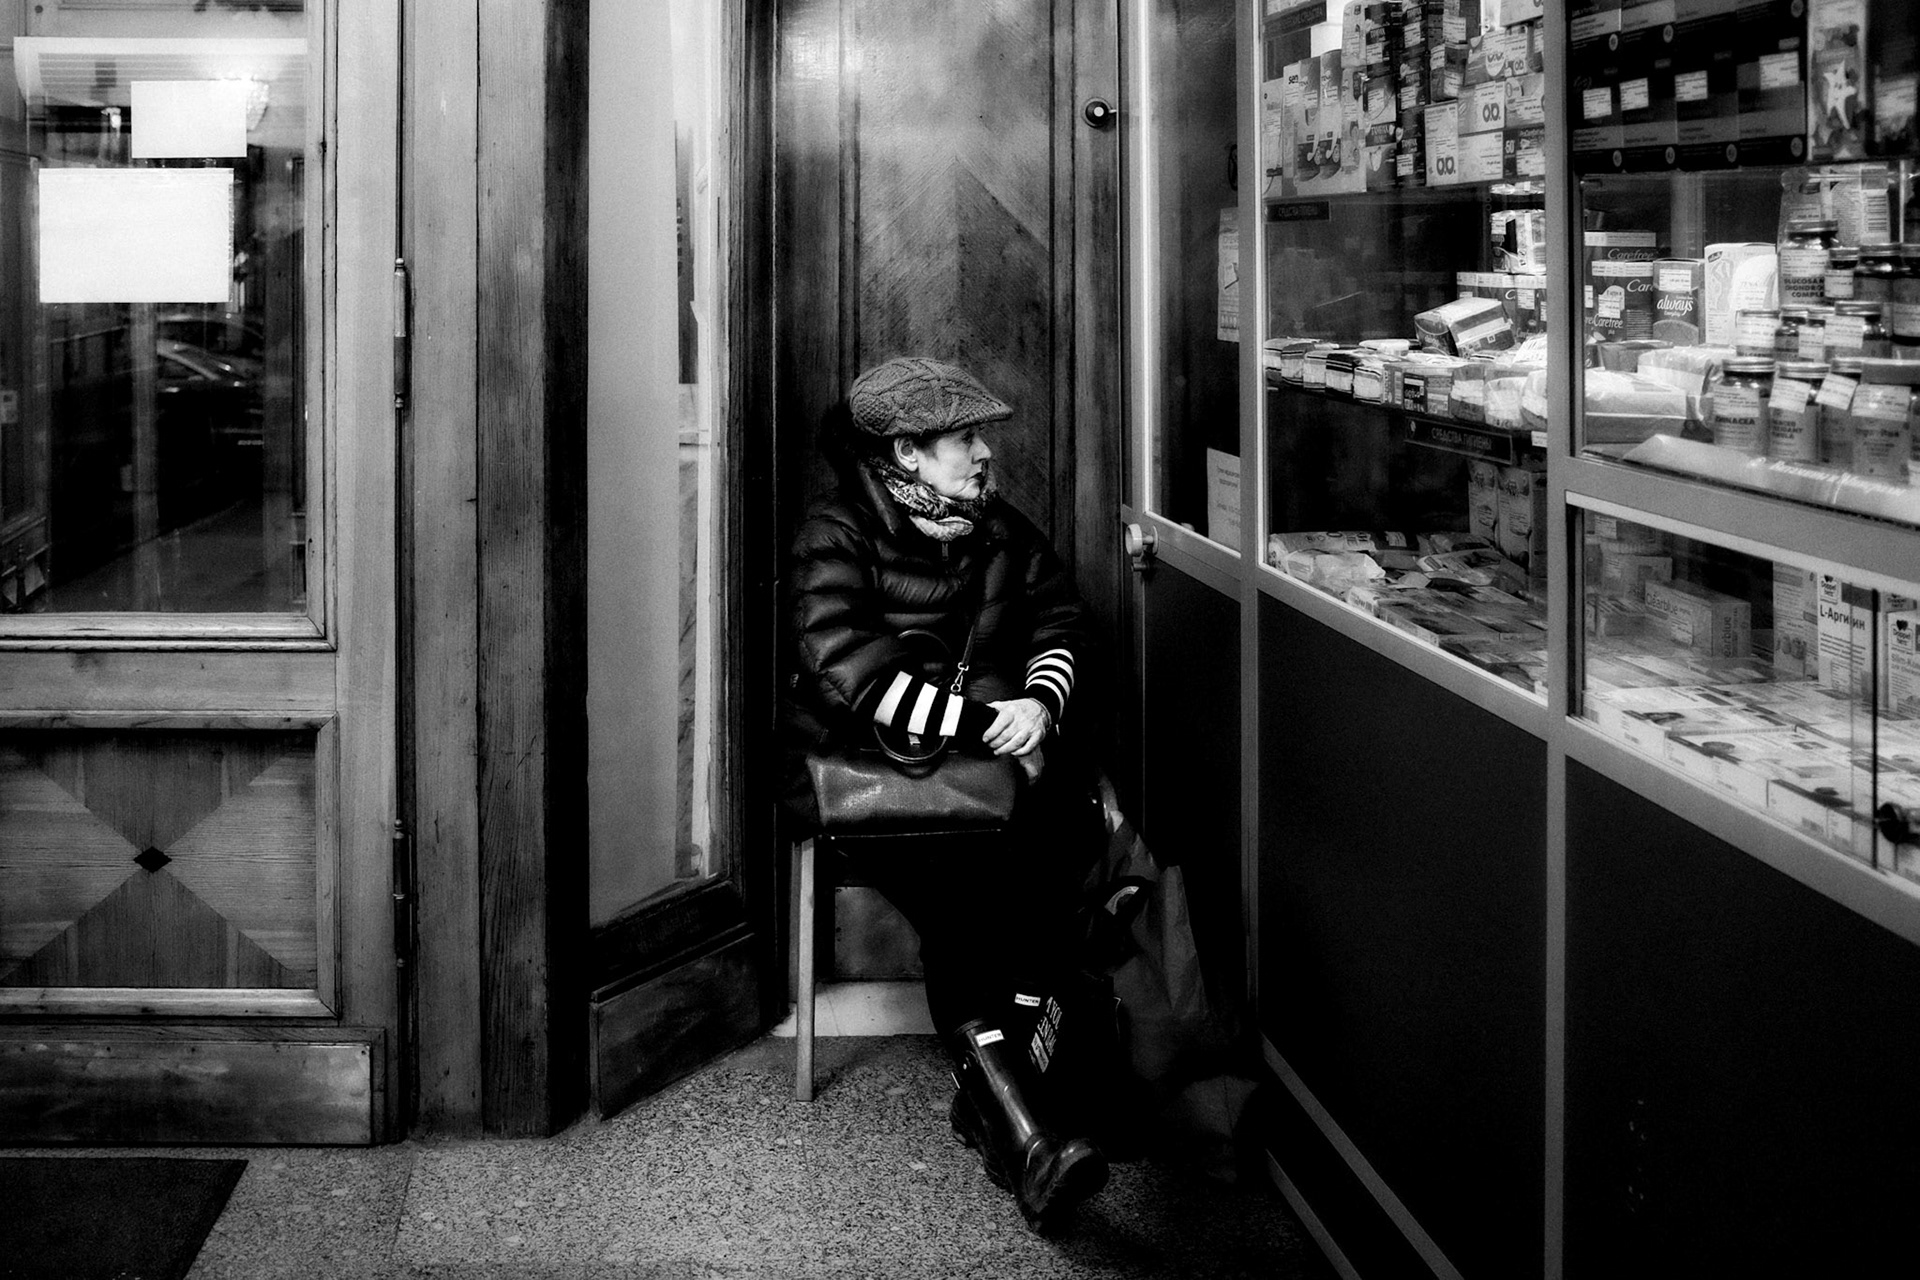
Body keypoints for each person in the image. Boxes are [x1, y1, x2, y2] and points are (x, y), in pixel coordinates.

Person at [782, 355, 1108, 1229]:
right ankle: (1027, 1129)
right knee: (969, 903)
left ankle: (1005, 1120)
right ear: (908, 453)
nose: (984, 454)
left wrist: (1039, 704)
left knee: (1055, 857)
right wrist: (986, 725)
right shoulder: (833, 536)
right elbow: (851, 677)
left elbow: (1064, 622)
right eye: (965, 438)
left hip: (989, 782)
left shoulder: (999, 529)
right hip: (875, 787)